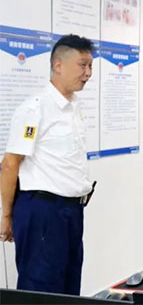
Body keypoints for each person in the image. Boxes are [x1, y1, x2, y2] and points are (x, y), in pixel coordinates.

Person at [0, 34, 95, 294]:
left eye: (90, 66)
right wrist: (7, 216)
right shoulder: (35, 108)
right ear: (58, 65)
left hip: (71, 211)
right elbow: (10, 164)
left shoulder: (74, 107)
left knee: (69, 287)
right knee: (41, 289)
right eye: (82, 65)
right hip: (43, 211)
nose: (88, 73)